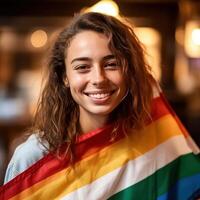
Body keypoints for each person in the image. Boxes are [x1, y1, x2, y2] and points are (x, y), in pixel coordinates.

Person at [1, 12, 200, 200]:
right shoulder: (33, 158)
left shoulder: (154, 144)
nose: (98, 79)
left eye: (111, 64)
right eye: (82, 67)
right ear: (64, 77)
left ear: (129, 72)